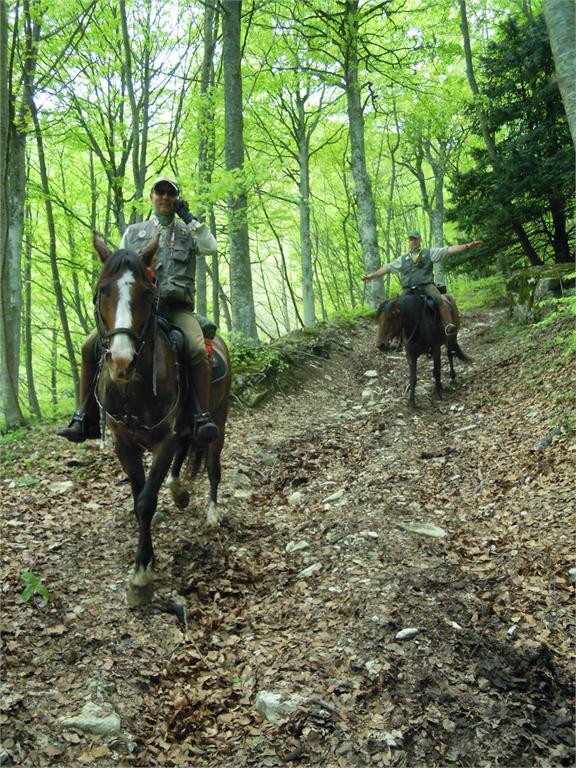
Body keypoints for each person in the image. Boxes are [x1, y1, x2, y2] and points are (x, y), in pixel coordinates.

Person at [58, 176, 220, 445]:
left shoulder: (189, 232)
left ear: (177, 198)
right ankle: (84, 416)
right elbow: (119, 270)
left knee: (196, 349)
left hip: (177, 309)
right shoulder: (134, 233)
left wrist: (190, 219)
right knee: (89, 346)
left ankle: (201, 417)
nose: (165, 197)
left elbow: (210, 247)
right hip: (140, 310)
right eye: (160, 192)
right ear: (151, 196)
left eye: (171, 193)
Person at [362, 229, 483, 335]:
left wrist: (467, 246)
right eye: (411, 239)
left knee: (438, 299)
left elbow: (448, 250)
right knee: (396, 306)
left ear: (420, 240)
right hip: (408, 288)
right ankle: (397, 335)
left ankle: (448, 325)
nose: (413, 241)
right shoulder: (402, 259)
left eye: (415, 239)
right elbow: (387, 268)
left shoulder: (429, 253)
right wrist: (371, 276)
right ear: (408, 242)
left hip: (426, 285)